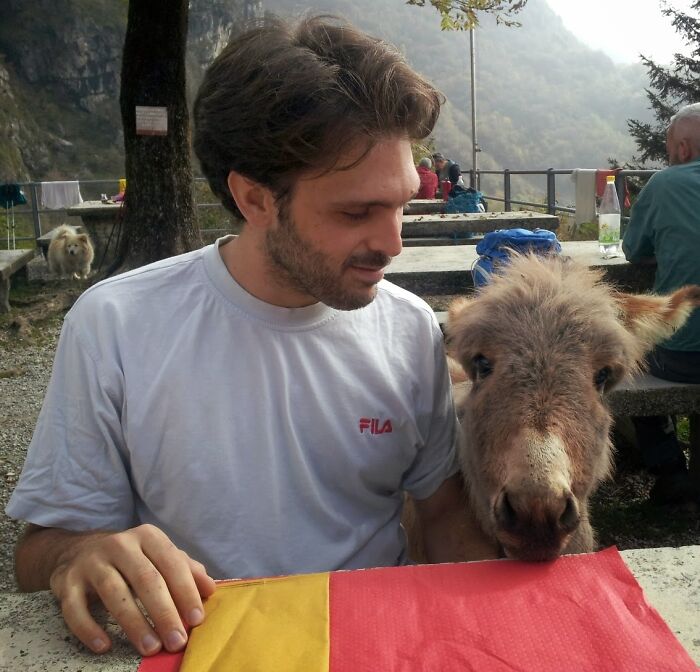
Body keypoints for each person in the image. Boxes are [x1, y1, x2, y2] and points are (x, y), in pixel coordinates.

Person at [6, 15, 469, 658]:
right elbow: (37, 554)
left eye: (403, 203)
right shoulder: (116, 324)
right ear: (254, 199)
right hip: (197, 649)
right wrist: (78, 554)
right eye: (356, 212)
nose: (392, 243)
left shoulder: (408, 328)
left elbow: (444, 515)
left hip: (373, 645)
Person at [622, 102, 700, 504]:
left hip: (683, 356)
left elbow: (634, 251)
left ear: (683, 149)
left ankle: (670, 472)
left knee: (629, 362)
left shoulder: (665, 184)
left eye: (671, 148)